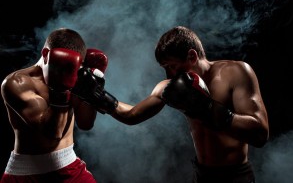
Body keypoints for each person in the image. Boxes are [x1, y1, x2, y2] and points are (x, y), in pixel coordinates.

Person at [84, 26, 269, 182]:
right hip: (202, 175)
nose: (169, 76)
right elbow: (132, 115)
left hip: (236, 176)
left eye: (171, 66)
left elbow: (260, 133)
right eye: (165, 68)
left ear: (192, 56)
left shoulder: (235, 72)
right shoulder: (171, 86)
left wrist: (206, 108)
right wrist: (98, 96)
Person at [0, 28, 108, 183]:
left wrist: (93, 88)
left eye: (71, 68)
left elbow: (85, 123)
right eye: (61, 66)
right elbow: (53, 133)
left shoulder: (76, 74)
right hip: (26, 174)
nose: (66, 72)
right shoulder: (16, 83)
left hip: (69, 168)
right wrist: (61, 89)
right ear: (45, 55)